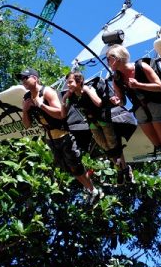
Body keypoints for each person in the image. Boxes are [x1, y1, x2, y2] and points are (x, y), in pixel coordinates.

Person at [17, 67, 103, 203]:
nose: (23, 81)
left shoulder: (47, 92)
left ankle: (93, 189)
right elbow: (26, 125)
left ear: (35, 78)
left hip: (64, 135)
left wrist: (41, 106)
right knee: (68, 168)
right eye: (21, 79)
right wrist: (25, 110)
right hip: (50, 138)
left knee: (75, 165)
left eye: (26, 78)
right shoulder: (26, 98)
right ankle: (91, 189)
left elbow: (60, 115)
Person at [107, 45, 161, 179]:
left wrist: (139, 85)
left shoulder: (141, 67)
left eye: (109, 59)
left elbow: (159, 86)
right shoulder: (117, 79)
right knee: (157, 143)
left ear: (117, 58)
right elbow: (122, 100)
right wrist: (117, 101)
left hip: (156, 106)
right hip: (140, 111)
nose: (108, 62)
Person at [61, 71, 134, 185]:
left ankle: (123, 169)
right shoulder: (72, 97)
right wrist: (65, 98)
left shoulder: (88, 89)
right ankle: (121, 169)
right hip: (92, 124)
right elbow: (63, 115)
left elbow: (99, 103)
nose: (68, 85)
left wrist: (87, 91)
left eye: (70, 82)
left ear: (79, 81)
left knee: (113, 145)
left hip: (103, 120)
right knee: (106, 148)